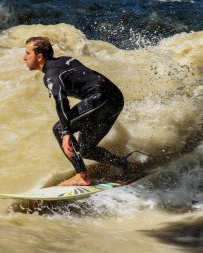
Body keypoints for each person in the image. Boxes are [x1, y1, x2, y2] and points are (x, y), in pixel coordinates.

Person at [23, 36, 131, 186]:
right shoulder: (65, 60)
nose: (24, 57)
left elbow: (61, 101)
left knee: (59, 129)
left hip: (102, 99)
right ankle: (122, 164)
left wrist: (66, 132)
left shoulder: (51, 75)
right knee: (85, 149)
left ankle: (82, 175)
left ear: (39, 57)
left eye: (27, 53)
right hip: (115, 98)